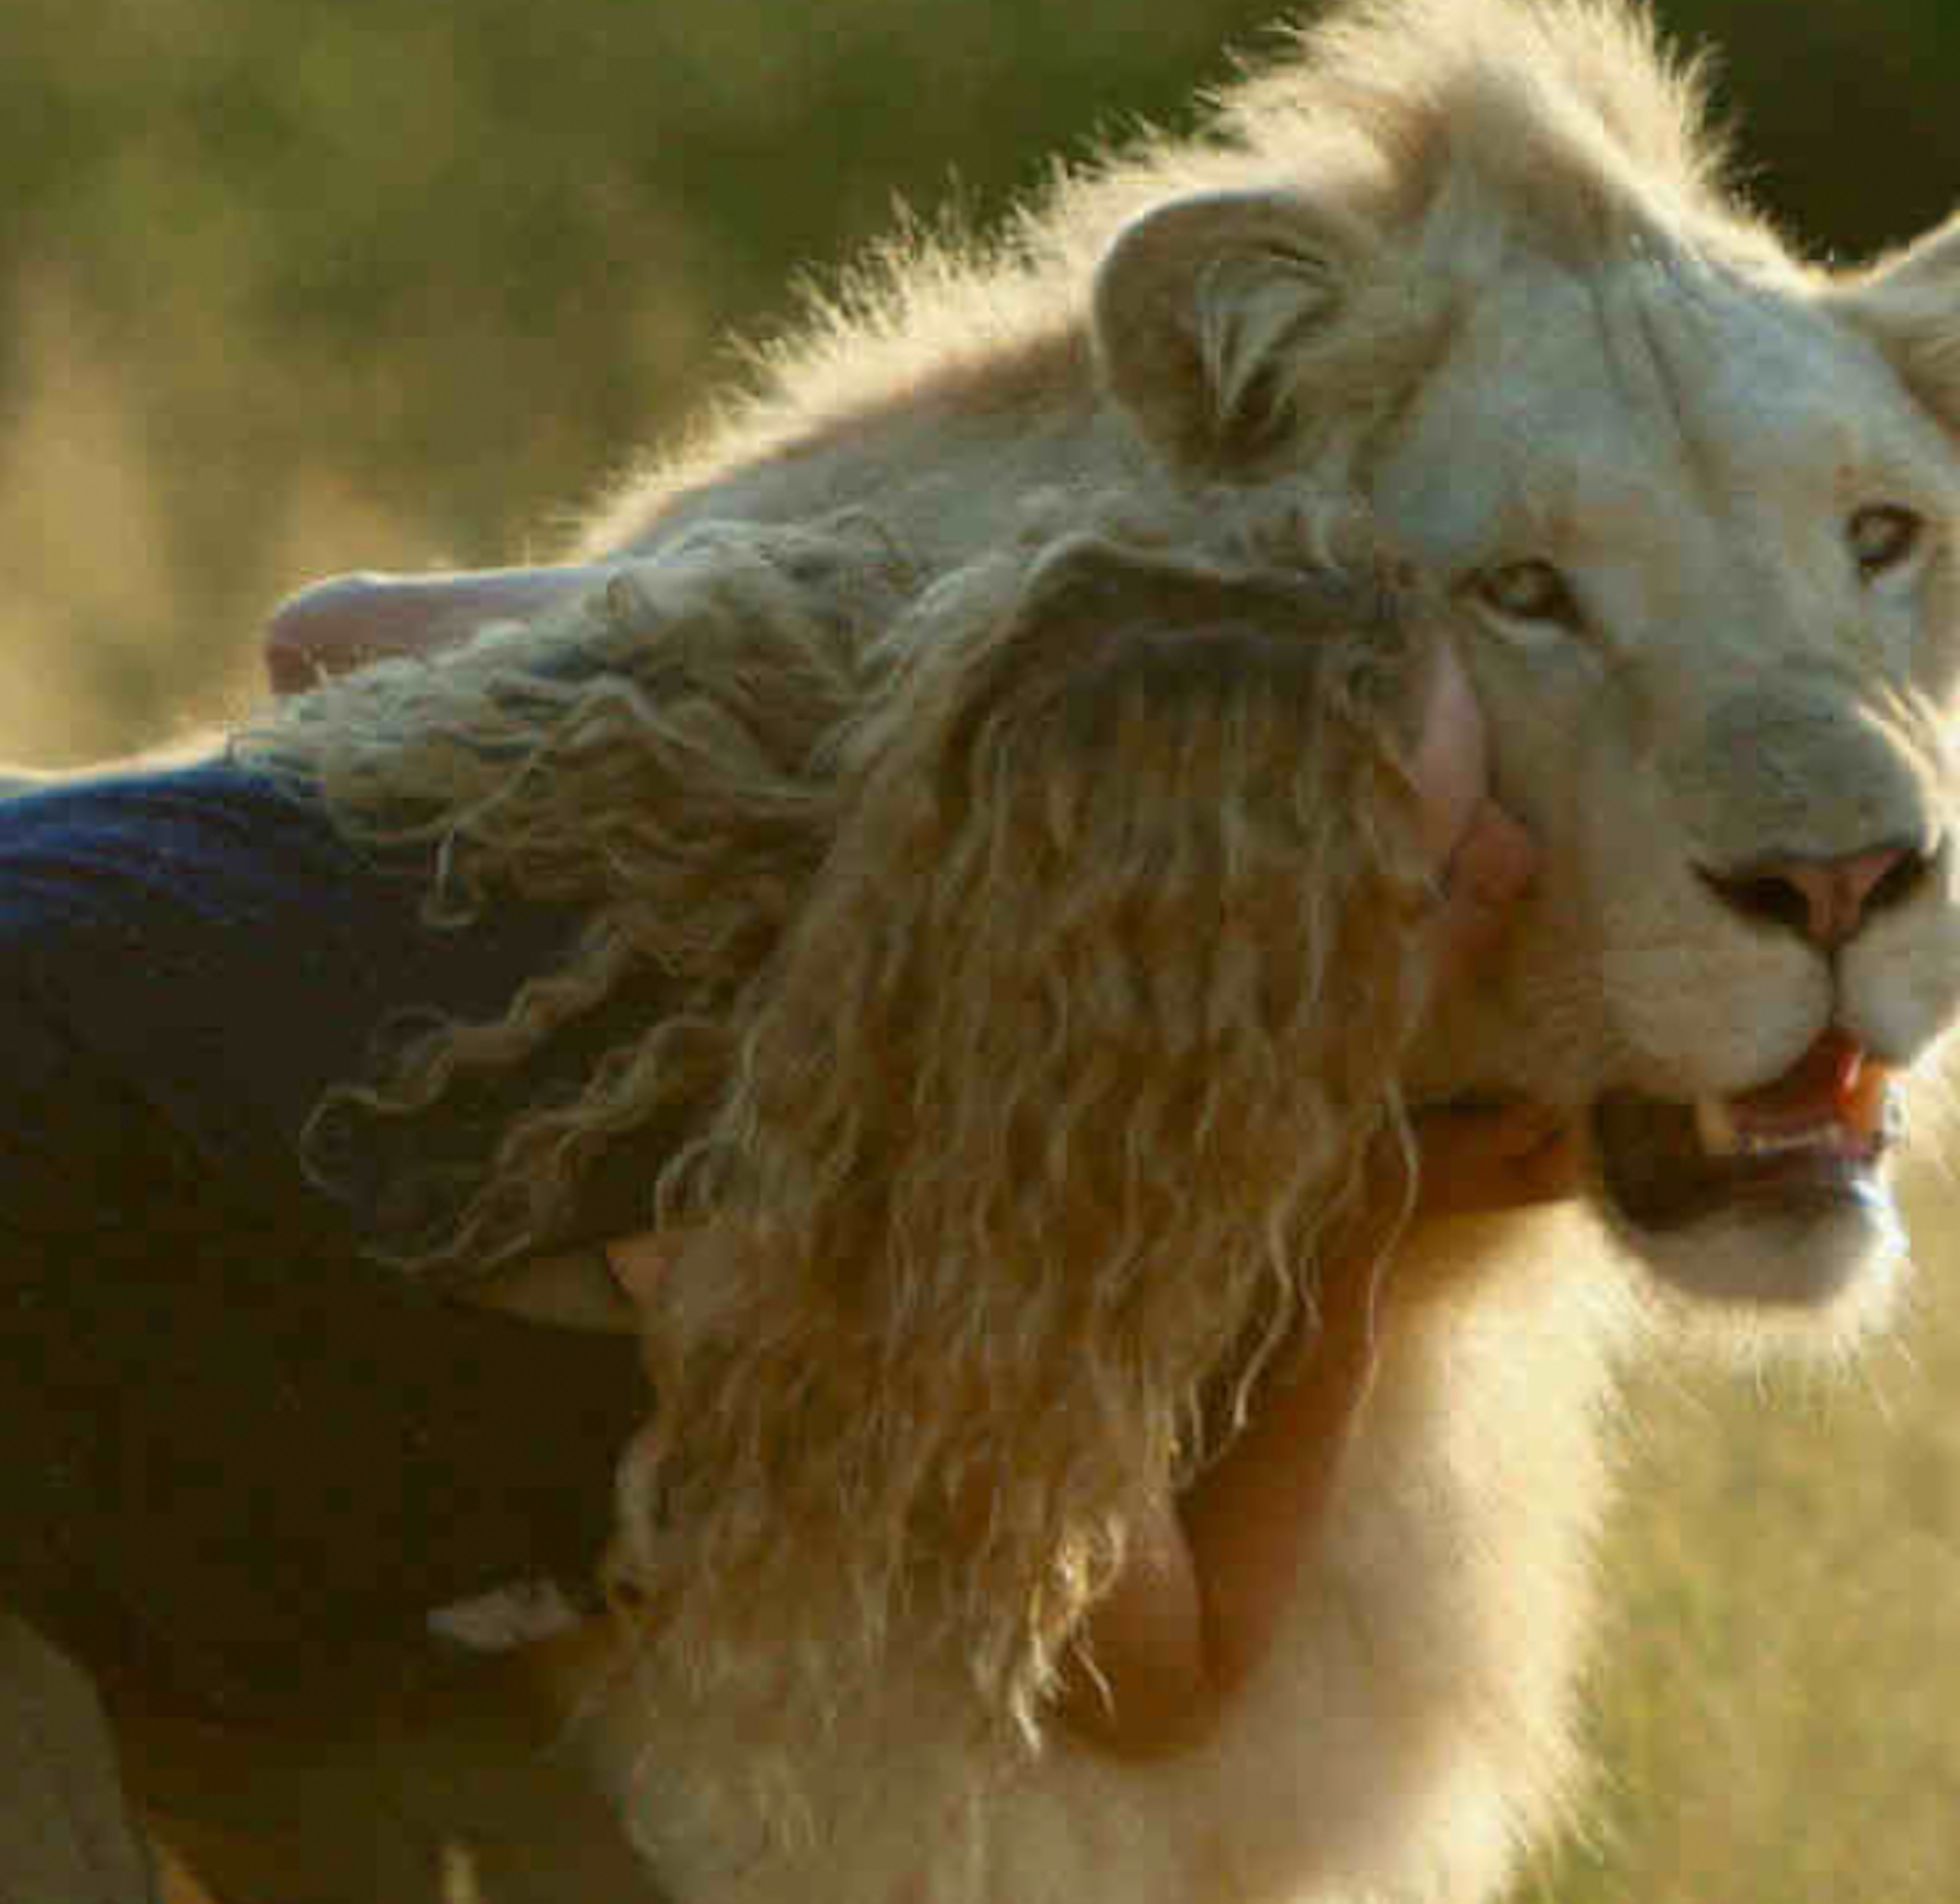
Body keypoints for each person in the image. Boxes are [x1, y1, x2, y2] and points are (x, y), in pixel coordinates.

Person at [0, 557, 1572, 1789]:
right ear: (1218, 970)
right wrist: (1351, 1236)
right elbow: (1169, 1679)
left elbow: (332, 635)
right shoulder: (908, 1223)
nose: (1512, 858)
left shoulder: (785, 680)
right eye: (1435, 870)